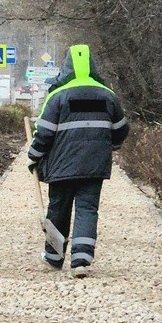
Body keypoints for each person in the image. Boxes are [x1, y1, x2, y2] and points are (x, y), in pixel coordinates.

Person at [26, 44, 129, 277]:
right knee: (87, 209)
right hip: (94, 166)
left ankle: (53, 258)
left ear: (66, 66)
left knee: (58, 208)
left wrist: (33, 157)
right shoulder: (107, 95)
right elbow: (121, 131)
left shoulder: (57, 96)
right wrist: (107, 142)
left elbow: (44, 133)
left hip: (61, 166)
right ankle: (81, 260)